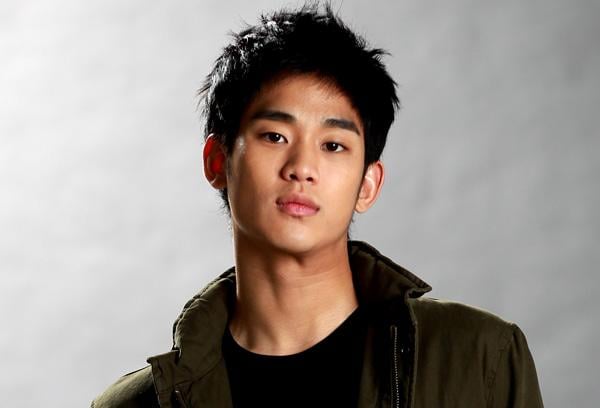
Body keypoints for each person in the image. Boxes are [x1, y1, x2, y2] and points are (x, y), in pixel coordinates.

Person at [92, 3, 544, 407]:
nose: (302, 168)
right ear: (217, 161)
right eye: (275, 136)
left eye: (333, 145)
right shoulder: (132, 405)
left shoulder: (481, 358)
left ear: (367, 184)